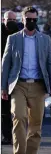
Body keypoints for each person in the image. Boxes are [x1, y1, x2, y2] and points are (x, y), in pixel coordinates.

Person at [1, 6, 51, 154]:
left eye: (34, 19)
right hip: (18, 85)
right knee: (18, 117)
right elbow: (5, 65)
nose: (32, 22)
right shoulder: (13, 39)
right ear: (23, 20)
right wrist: (3, 87)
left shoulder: (45, 39)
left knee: (35, 124)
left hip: (38, 86)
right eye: (28, 19)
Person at [1, 11, 19, 145]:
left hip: (16, 76)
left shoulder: (20, 34)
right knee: (4, 109)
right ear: (3, 20)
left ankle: (17, 134)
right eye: (9, 19)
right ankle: (7, 135)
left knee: (17, 109)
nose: (11, 21)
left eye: (14, 19)